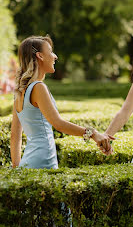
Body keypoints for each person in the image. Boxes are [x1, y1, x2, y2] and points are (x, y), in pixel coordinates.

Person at [10, 35, 113, 169]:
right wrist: (93, 134)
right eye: (51, 52)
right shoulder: (38, 87)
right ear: (40, 56)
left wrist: (16, 168)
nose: (55, 56)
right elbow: (58, 124)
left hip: (28, 162)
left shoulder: (19, 92)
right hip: (43, 160)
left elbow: (14, 136)